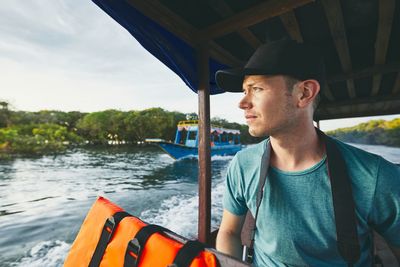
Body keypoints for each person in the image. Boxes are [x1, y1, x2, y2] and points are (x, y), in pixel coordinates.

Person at [214, 39, 400, 266]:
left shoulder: (375, 176)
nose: (242, 103)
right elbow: (230, 233)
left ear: (304, 93)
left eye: (257, 89)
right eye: (245, 91)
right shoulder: (242, 165)